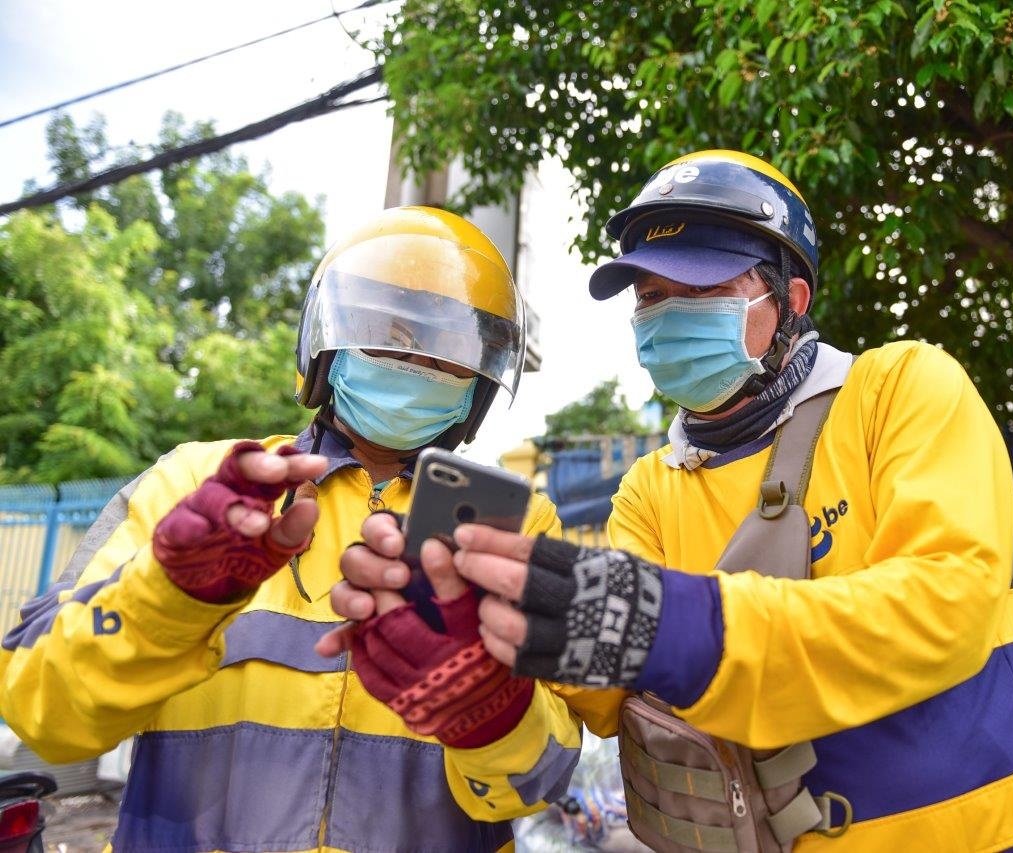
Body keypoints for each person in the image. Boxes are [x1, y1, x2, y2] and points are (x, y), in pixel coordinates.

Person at [335, 151, 1013, 850]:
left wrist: (670, 620)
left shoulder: (900, 388)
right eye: (650, 293)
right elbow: (608, 691)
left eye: (700, 285)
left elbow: (950, 605)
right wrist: (486, 648)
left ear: (789, 296)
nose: (666, 313)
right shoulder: (650, 487)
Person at [0, 207, 584, 853]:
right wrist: (170, 597)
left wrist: (489, 712)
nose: (415, 359)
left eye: (445, 350)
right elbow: (42, 710)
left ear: (477, 382)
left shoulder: (515, 523)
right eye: (389, 333)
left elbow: (540, 780)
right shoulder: (197, 485)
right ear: (327, 345)